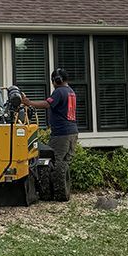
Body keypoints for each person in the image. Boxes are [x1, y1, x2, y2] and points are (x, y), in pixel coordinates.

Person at [21, 69, 78, 200]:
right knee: (64, 164)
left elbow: (47, 104)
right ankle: (63, 192)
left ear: (56, 80)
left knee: (53, 162)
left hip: (61, 134)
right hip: (73, 132)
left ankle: (56, 194)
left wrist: (28, 103)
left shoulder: (59, 91)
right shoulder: (71, 92)